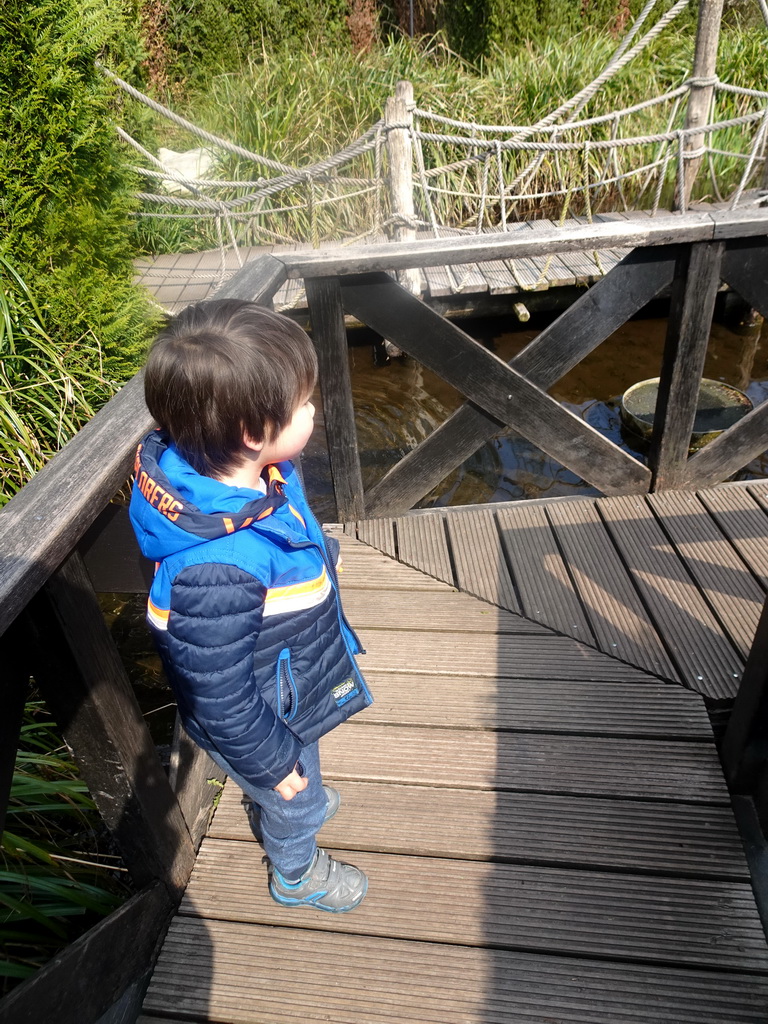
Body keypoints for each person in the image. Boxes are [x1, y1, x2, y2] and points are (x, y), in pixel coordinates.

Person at [129, 299, 373, 913]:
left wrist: (319, 555)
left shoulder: (242, 476)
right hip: (269, 710)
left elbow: (285, 528)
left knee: (293, 786)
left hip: (279, 672)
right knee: (295, 796)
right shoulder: (219, 567)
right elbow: (216, 688)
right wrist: (272, 762)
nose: (313, 409)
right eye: (301, 405)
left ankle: (290, 800)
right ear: (250, 432)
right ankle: (296, 871)